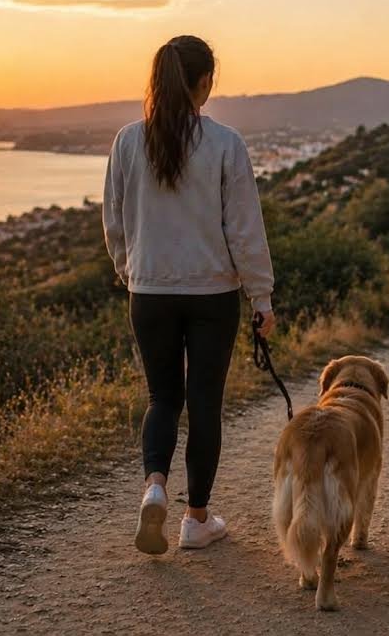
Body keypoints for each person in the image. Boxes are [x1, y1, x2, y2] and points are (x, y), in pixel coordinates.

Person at [103, 35, 275, 555]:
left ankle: (154, 485)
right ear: (204, 83)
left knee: (162, 397)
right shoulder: (224, 143)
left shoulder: (127, 141)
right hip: (212, 293)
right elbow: (245, 229)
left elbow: (114, 220)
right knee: (204, 404)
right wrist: (261, 298)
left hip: (148, 291)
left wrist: (130, 272)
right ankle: (196, 520)